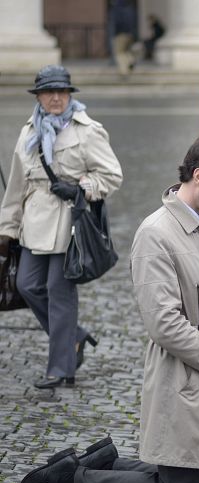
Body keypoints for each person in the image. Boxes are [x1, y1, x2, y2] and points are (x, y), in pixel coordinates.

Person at [18, 132, 199, 483]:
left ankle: (103, 461)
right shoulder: (156, 233)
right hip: (183, 377)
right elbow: (165, 325)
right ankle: (72, 478)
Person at [0, 65, 122, 389]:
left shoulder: (88, 131)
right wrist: (7, 228)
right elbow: (16, 185)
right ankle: (74, 337)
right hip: (34, 220)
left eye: (61, 92)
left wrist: (81, 188)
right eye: (48, 92)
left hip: (69, 222)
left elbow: (112, 175)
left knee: (58, 289)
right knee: (27, 284)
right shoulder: (29, 132)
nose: (55, 98)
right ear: (38, 97)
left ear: (69, 95)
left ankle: (60, 368)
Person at [110, 0, 137, 76]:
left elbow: (117, 21)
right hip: (130, 33)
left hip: (120, 33)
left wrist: (115, 33)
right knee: (126, 50)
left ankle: (124, 71)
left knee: (119, 53)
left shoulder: (117, 8)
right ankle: (131, 60)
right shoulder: (130, 8)